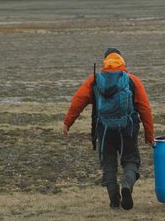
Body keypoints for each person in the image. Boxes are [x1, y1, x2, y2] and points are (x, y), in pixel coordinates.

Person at [63, 47, 154, 210]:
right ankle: (127, 185)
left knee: (108, 164)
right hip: (128, 128)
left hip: (104, 129)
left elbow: (78, 101)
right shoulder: (132, 80)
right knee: (131, 160)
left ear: (105, 61)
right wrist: (149, 135)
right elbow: (145, 108)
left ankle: (114, 200)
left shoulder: (95, 80)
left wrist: (67, 123)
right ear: (122, 60)